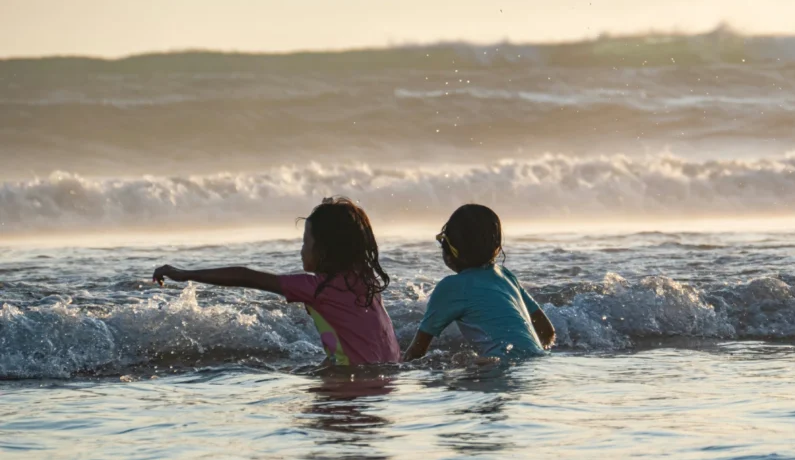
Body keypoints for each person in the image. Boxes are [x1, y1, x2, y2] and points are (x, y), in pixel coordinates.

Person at [152, 197, 400, 366]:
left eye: (305, 243)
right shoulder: (366, 278)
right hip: (388, 373)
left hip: (357, 382)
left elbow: (245, 276)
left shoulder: (317, 289)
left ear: (324, 250)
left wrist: (185, 274)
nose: (301, 250)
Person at [402, 204, 556, 362]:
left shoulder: (451, 287)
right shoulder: (505, 276)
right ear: (496, 247)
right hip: (535, 360)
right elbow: (547, 331)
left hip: (499, 365)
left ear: (449, 252)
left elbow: (416, 351)